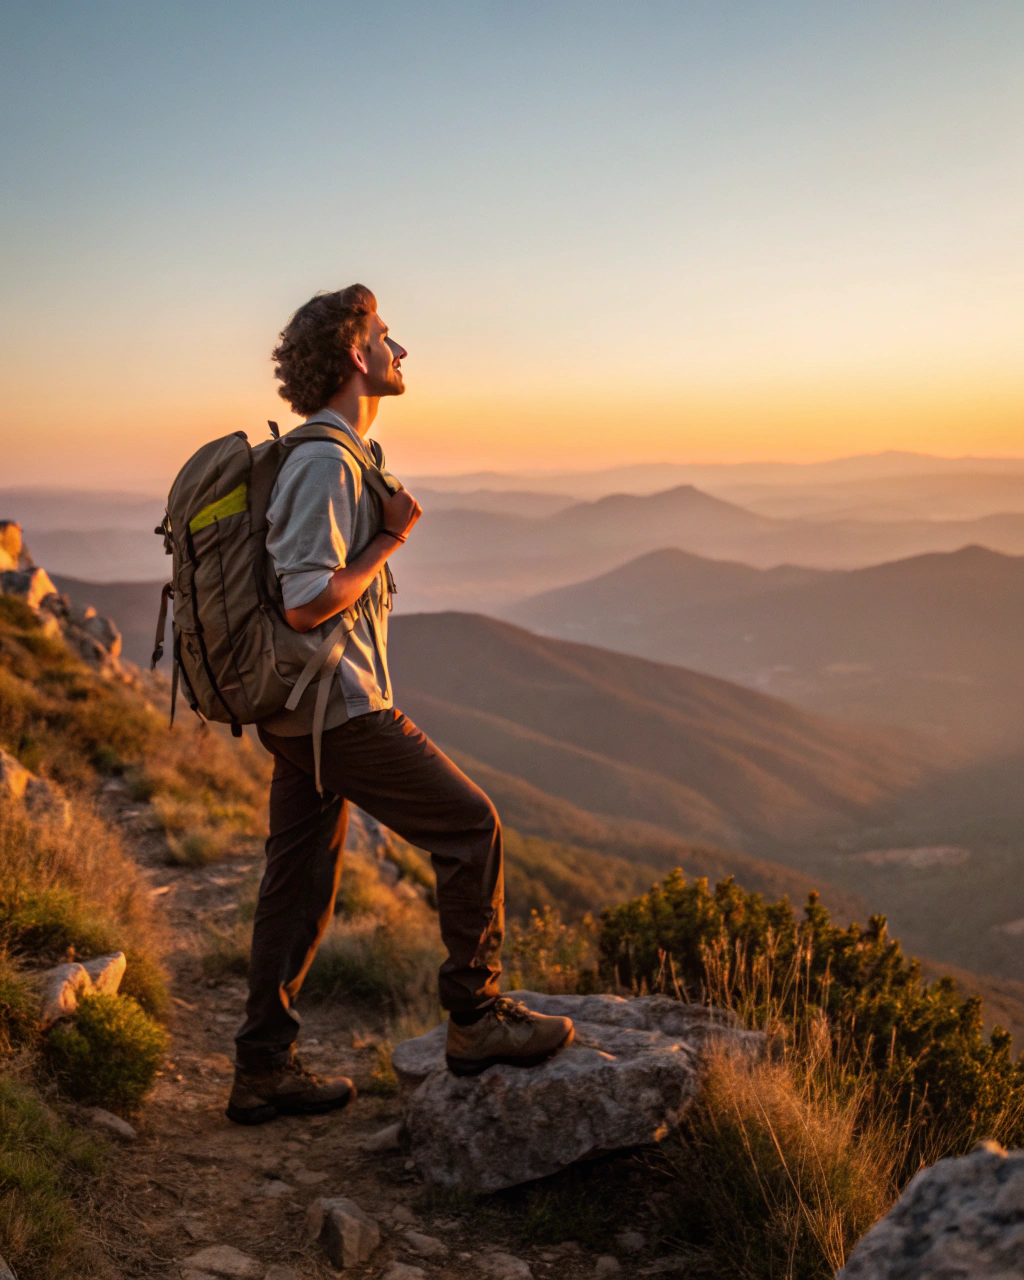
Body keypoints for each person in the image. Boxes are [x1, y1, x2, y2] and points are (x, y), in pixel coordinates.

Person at [227, 286, 575, 1125]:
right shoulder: (323, 462)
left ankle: (263, 1070)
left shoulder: (340, 454)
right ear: (356, 354)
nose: (400, 350)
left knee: (298, 882)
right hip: (335, 707)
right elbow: (306, 602)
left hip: (304, 709)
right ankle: (476, 1018)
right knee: (471, 826)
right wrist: (390, 539)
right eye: (386, 336)